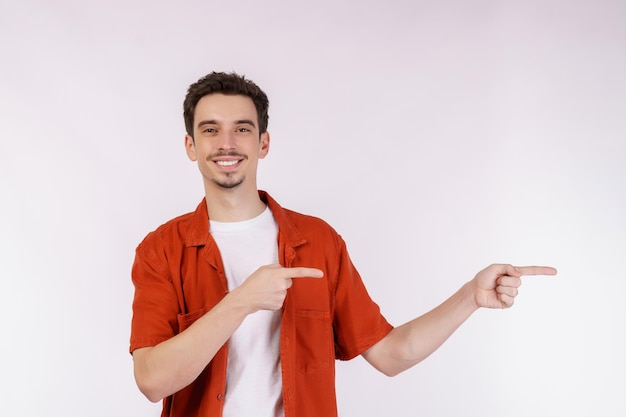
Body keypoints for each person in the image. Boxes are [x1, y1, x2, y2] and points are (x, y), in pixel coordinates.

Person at [129, 71, 557, 417]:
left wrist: (471, 297)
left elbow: (391, 353)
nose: (227, 143)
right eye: (210, 130)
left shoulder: (317, 241)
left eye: (242, 129)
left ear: (263, 143)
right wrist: (240, 301)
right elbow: (152, 380)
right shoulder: (161, 250)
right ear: (191, 146)